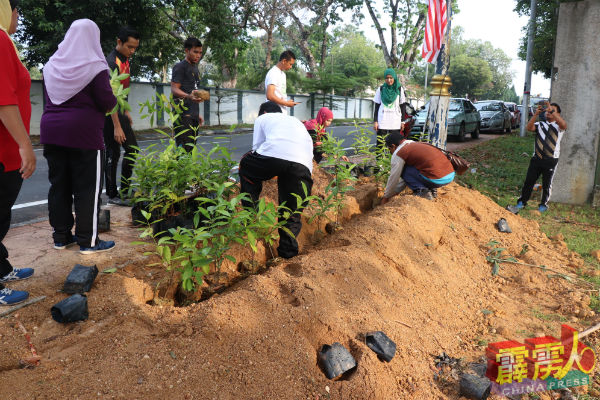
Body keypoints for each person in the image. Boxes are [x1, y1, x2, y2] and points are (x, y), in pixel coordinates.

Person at [40, 19, 117, 254]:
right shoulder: (95, 66)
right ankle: (88, 241)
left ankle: (61, 237)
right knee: (87, 189)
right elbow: (107, 102)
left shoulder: (51, 65)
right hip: (84, 135)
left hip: (52, 131)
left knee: (59, 186)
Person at [239, 101, 313, 259]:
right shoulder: (294, 120)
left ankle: (249, 215)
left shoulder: (263, 118)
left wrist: (270, 170)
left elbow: (256, 149)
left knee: (246, 164)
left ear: (264, 113)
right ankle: (288, 254)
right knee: (291, 211)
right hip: (303, 166)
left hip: (274, 159)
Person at [0, 0, 35, 305]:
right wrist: (26, 145)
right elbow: (3, 98)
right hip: (3, 149)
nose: (18, 18)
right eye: (16, 11)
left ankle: (1, 268)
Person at [508, 101, 567, 213]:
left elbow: (564, 125)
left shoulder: (559, 126)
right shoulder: (540, 124)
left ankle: (543, 205)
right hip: (536, 158)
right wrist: (535, 115)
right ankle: (522, 202)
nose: (548, 112)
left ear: (557, 114)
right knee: (529, 181)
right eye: (548, 110)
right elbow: (529, 128)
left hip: (551, 159)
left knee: (547, 183)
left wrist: (552, 111)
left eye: (552, 111)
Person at [103, 26, 140, 205]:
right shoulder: (111, 63)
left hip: (119, 112)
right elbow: (109, 96)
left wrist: (126, 112)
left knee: (129, 151)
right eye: (129, 47)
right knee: (115, 152)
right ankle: (113, 194)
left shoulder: (125, 60)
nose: (132, 51)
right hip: (109, 115)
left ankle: (124, 190)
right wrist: (117, 125)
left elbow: (123, 91)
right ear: (119, 42)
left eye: (135, 48)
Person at [380, 133, 455, 204]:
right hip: (449, 175)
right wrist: (395, 192)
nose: (390, 152)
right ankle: (432, 190)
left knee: (404, 169)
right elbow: (406, 179)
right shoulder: (415, 144)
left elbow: (394, 177)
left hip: (436, 179)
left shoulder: (399, 152)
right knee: (419, 167)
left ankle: (423, 192)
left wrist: (386, 197)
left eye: (389, 149)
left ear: (393, 146)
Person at [170, 37, 205, 150]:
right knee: (183, 151)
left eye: (200, 52)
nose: (198, 55)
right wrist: (189, 96)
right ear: (186, 51)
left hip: (192, 115)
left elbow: (192, 91)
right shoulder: (180, 67)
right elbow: (174, 89)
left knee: (190, 149)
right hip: (182, 116)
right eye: (195, 52)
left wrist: (196, 113)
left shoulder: (195, 68)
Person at [373, 68, 406, 152]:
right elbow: (377, 106)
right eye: (387, 78)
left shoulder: (399, 89)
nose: (389, 80)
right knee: (380, 143)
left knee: (395, 143)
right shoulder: (381, 89)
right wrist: (375, 121)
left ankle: (392, 162)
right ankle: (379, 164)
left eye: (391, 78)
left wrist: (403, 121)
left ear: (394, 78)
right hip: (382, 120)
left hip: (395, 120)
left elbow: (403, 106)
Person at [265, 50, 299, 114]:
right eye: (290, 64)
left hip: (281, 112)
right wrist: (286, 103)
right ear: (284, 61)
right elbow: (269, 95)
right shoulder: (273, 73)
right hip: (273, 112)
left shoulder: (283, 74)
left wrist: (287, 102)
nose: (291, 67)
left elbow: (279, 94)